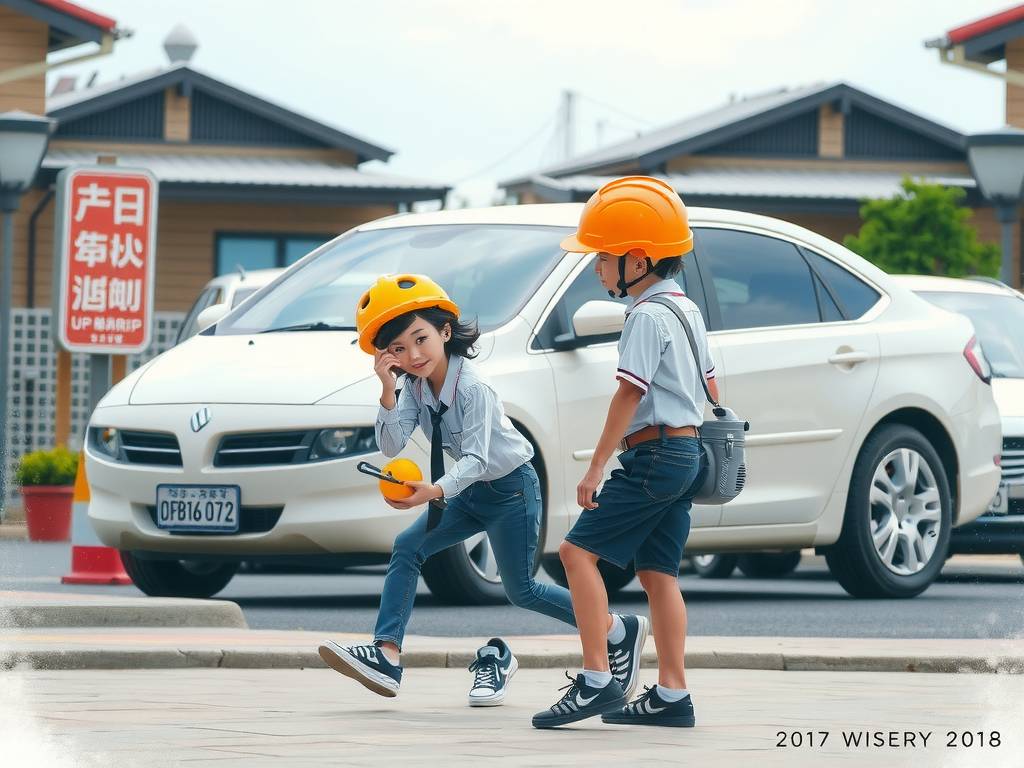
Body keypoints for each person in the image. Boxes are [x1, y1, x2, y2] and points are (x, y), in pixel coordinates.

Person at [319, 273, 647, 707]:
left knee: (521, 590)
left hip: (512, 490)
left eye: (420, 339)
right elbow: (392, 444)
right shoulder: (415, 387)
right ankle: (386, 655)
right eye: (399, 349)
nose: (413, 355)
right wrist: (385, 390)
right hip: (469, 491)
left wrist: (433, 491)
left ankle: (617, 630)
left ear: (445, 331)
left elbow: (475, 458)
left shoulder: (473, 388)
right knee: (407, 547)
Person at [533, 177, 719, 729]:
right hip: (684, 455)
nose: (596, 268)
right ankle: (671, 694)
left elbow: (629, 391)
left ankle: (596, 680)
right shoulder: (687, 311)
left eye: (603, 257)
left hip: (655, 455)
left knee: (574, 555)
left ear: (637, 260)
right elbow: (710, 387)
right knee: (659, 573)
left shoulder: (645, 315)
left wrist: (595, 467)